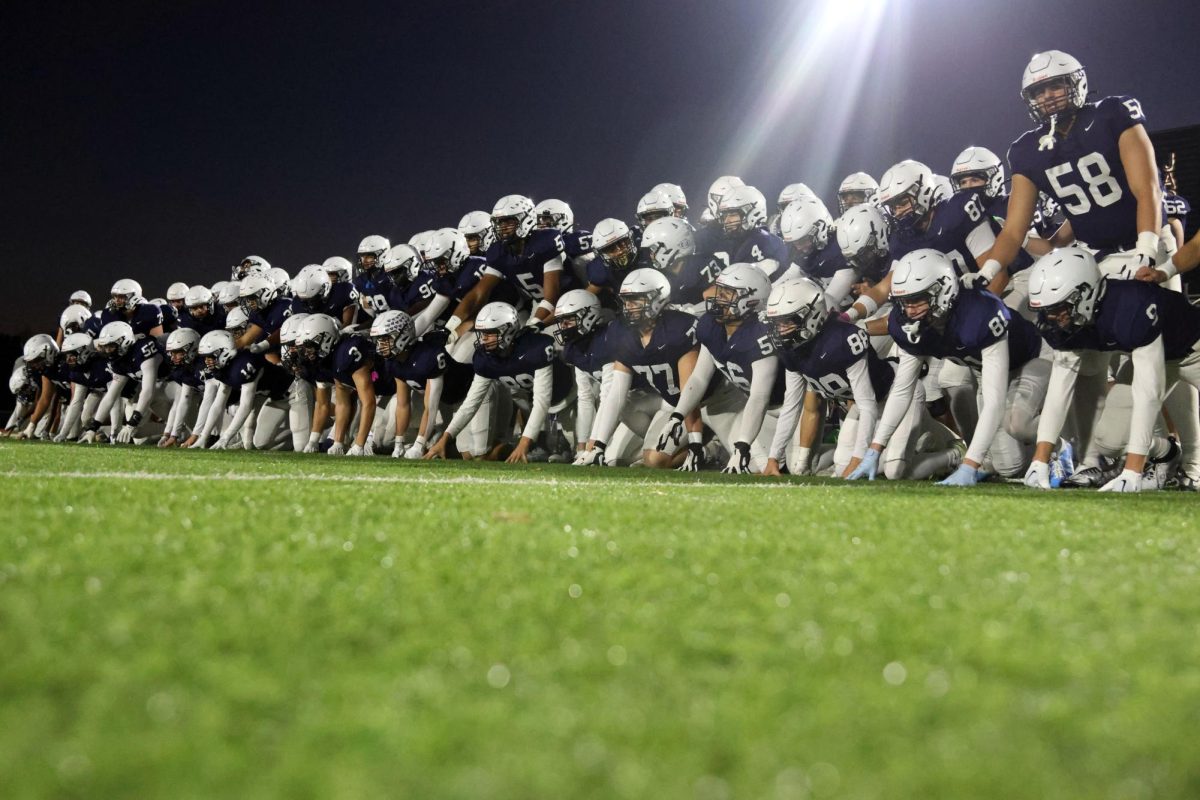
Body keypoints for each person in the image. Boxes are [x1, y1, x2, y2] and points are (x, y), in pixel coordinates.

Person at [848, 249, 1048, 485]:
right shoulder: (910, 323)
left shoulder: (978, 313)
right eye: (903, 302)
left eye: (917, 299)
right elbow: (903, 389)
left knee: (1016, 430)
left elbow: (993, 401)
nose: (909, 311)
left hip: (1033, 360)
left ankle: (1061, 442)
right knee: (1008, 465)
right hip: (987, 371)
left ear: (943, 290)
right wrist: (875, 449)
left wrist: (970, 465)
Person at [1024, 247, 1200, 492]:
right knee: (1109, 440)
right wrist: (1039, 461)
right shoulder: (1071, 322)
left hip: (1194, 350)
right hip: (1157, 357)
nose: (1053, 319)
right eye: (1047, 310)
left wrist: (1132, 471)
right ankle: (1167, 453)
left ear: (1084, 294)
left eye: (1058, 309)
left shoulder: (1131, 306)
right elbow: (1058, 392)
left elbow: (1149, 393)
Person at [655, 264, 784, 472]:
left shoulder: (760, 334)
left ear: (751, 299)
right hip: (753, 407)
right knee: (754, 465)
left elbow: (761, 396)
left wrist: (743, 446)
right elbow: (699, 378)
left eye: (727, 293)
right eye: (720, 290)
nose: (718, 298)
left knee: (792, 465)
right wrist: (677, 416)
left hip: (785, 407)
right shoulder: (711, 324)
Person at [579, 268, 707, 468]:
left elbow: (690, 391)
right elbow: (617, 394)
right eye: (627, 300)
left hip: (703, 405)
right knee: (645, 460)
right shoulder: (622, 333)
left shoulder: (678, 327)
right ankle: (683, 445)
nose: (629, 307)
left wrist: (695, 441)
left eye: (636, 300)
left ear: (659, 298)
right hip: (670, 404)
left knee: (655, 461)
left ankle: (709, 445)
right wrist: (598, 446)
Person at [425, 302, 574, 463]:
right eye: (482, 334)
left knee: (575, 450)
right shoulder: (486, 359)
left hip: (569, 398)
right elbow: (471, 403)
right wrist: (444, 440)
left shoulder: (533, 348)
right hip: (532, 402)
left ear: (507, 330)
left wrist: (524, 443)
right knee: (474, 453)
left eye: (489, 333)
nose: (483, 340)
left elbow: (541, 401)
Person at [446, 195, 567, 341]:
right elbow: (478, 292)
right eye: (498, 222)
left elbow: (552, 296)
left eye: (508, 221)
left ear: (527, 218)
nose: (502, 227)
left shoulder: (544, 242)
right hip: (539, 303)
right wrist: (450, 328)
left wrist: (535, 324)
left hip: (568, 299)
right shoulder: (498, 252)